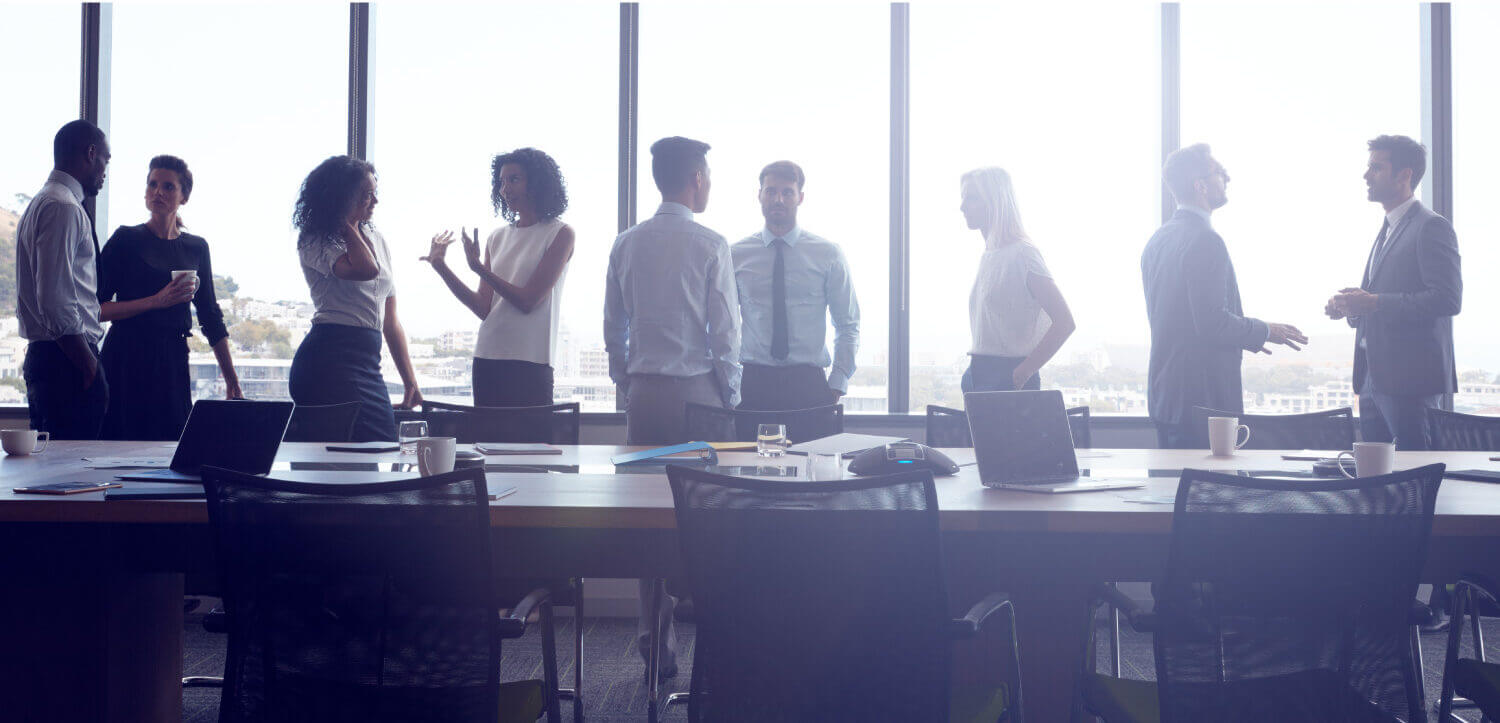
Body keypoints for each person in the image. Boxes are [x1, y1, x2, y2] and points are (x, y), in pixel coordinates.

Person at [603, 136, 740, 678]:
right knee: (706, 518)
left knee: (646, 519)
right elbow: (725, 330)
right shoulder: (711, 243)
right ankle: (717, 636)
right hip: (698, 398)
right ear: (696, 180)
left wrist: (626, 379)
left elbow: (613, 325)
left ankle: (652, 636)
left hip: (645, 395)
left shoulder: (626, 243)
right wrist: (729, 394)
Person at [1142, 144, 1307, 449]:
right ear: (1200, 186)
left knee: (1175, 492)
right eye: (1219, 171)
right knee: (1209, 494)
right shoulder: (1205, 240)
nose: (1226, 177)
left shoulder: (1159, 240)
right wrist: (1267, 331)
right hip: (1202, 401)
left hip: (1166, 398)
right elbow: (1211, 322)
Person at [1326, 135, 1460, 451]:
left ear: (1404, 175)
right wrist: (1352, 306)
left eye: (1376, 168)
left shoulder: (1431, 227)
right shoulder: (1389, 227)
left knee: (1415, 479)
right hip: (1373, 378)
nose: (1366, 175)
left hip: (1409, 382)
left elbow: (1447, 298)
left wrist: (1373, 302)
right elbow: (1381, 298)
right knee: (1378, 484)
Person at [96, 155, 242, 441]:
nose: (158, 192)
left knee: (170, 448)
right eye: (152, 184)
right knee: (119, 448)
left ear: (184, 196)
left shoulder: (197, 247)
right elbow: (95, 309)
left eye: (168, 186)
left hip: (172, 360)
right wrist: (155, 301)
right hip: (125, 358)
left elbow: (211, 317)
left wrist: (232, 381)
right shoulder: (125, 240)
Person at [423, 148, 574, 406]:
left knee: (533, 445)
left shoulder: (560, 233)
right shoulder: (497, 237)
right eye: (502, 182)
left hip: (531, 361)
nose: (505, 189)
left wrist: (480, 269)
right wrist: (441, 267)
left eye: (514, 180)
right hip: (487, 357)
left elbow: (529, 301)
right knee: (487, 443)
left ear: (537, 183)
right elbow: (484, 307)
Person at [288, 156, 421, 442]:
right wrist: (345, 223)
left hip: (367, 359)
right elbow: (365, 269)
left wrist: (410, 381)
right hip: (329, 358)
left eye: (374, 193)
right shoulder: (316, 239)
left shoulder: (378, 238)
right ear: (340, 197)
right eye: (365, 195)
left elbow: (391, 320)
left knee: (373, 450)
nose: (374, 201)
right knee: (358, 452)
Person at [730, 161, 858, 410]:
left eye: (787, 192)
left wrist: (837, 382)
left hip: (809, 384)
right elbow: (720, 323)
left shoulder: (828, 254)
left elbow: (848, 323)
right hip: (754, 383)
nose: (778, 199)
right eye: (771, 191)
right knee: (747, 451)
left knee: (811, 451)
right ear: (759, 196)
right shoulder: (736, 255)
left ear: (800, 197)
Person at [16, 120, 111, 440]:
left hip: (51, 358)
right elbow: (55, 300)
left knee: (53, 478)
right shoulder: (63, 207)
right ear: (91, 153)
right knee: (72, 479)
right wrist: (88, 364)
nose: (105, 171)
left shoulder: (42, 202)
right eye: (105, 161)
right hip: (66, 361)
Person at [958, 167, 1075, 394]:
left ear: (994, 202)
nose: (962, 207)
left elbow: (1065, 322)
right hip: (977, 373)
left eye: (971, 198)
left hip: (1006, 377)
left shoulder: (1023, 254)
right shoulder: (990, 254)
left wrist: (1023, 372)